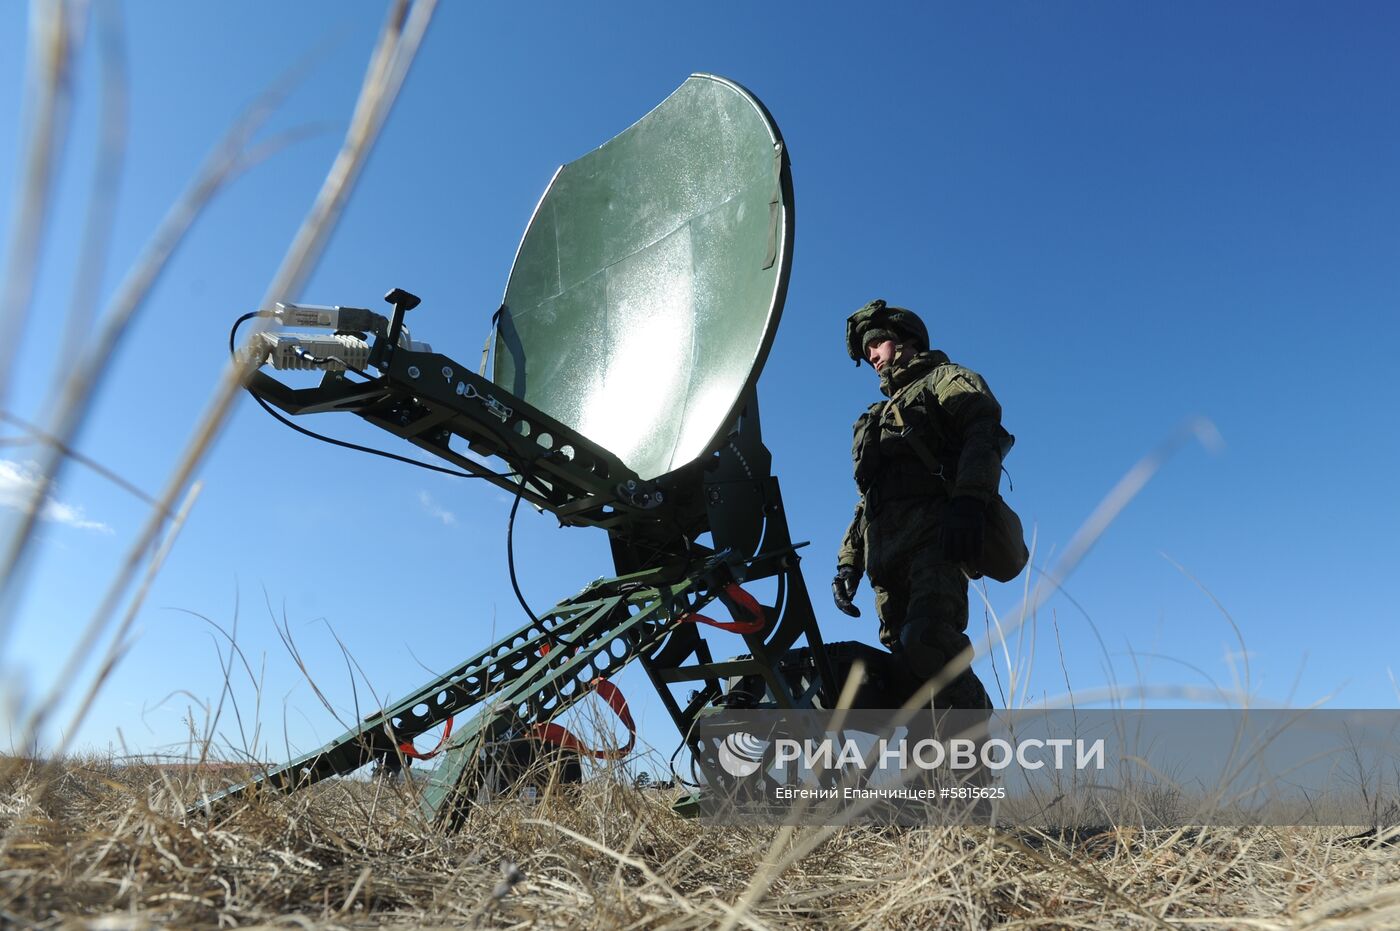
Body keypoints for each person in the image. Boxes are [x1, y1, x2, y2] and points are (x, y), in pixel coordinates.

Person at [832, 299, 1003, 711]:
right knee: (908, 674)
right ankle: (928, 771)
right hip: (884, 563)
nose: (872, 356)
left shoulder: (944, 380)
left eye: (877, 345)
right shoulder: (874, 416)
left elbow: (983, 431)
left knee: (930, 644)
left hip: (934, 542)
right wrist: (848, 562)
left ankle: (976, 743)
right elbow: (866, 500)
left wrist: (969, 502)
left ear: (906, 341)